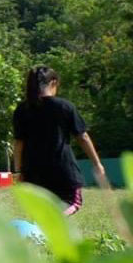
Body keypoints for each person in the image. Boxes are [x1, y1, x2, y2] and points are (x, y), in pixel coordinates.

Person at [13, 66, 108, 215]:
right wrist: (97, 164)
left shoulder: (22, 109)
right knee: (74, 203)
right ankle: (53, 223)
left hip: (33, 170)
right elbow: (82, 137)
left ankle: (41, 232)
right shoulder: (64, 106)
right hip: (62, 169)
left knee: (40, 209)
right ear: (53, 82)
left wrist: (18, 171)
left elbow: (19, 142)